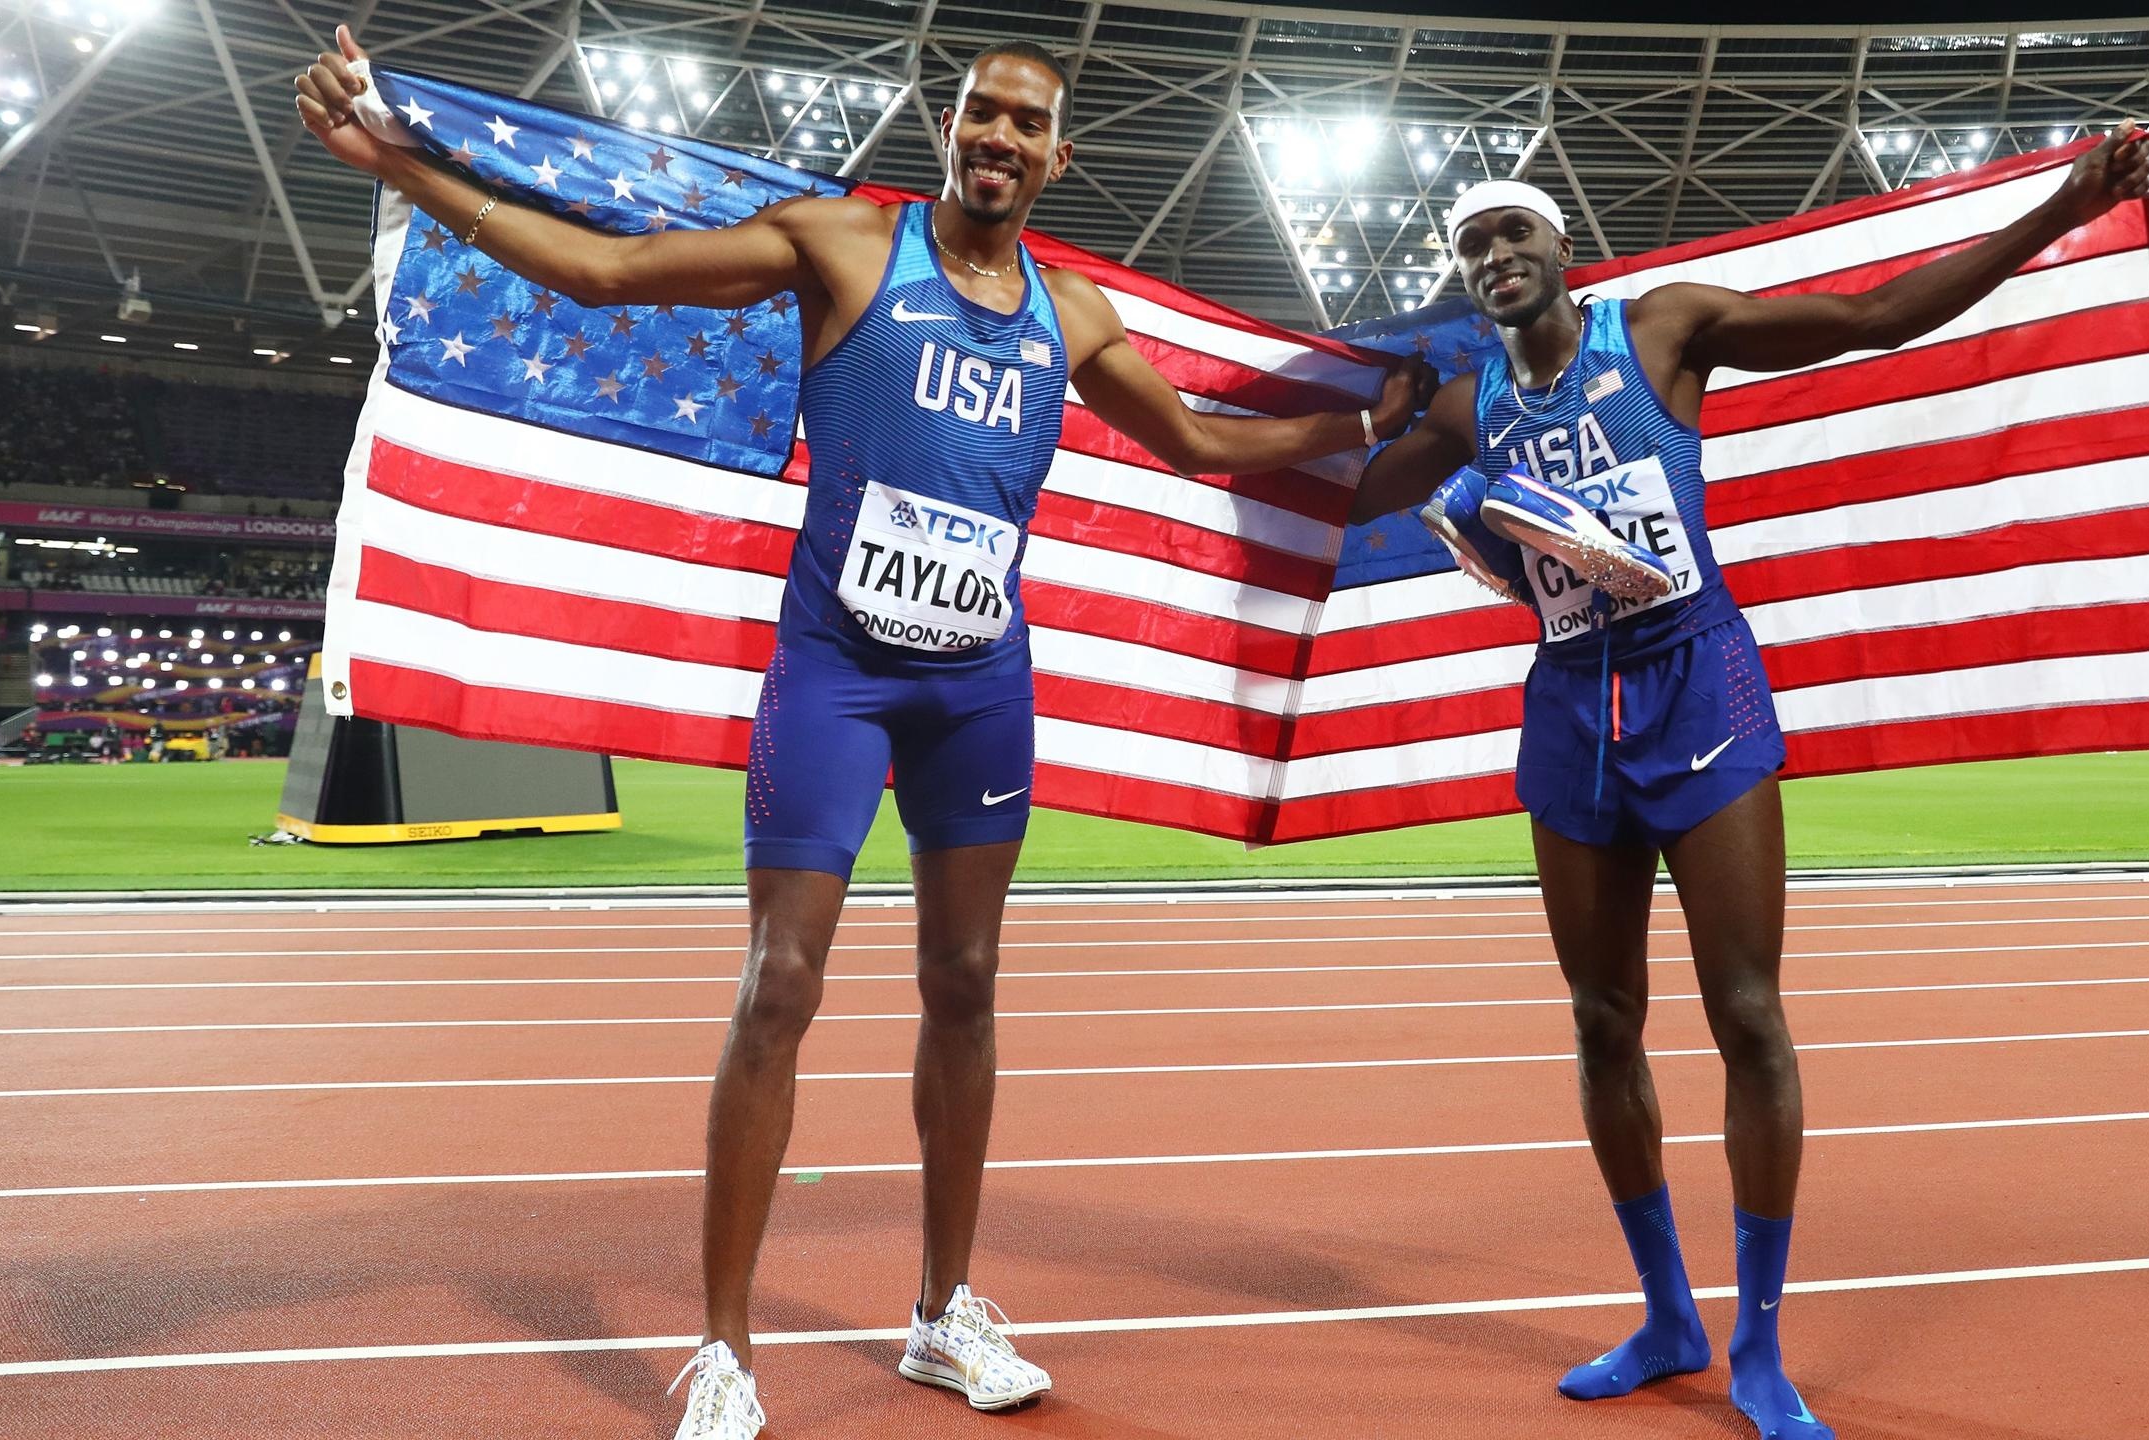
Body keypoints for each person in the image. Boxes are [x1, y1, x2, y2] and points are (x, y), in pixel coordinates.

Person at [297, 27, 1430, 1439]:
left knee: (965, 984)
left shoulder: (1069, 313)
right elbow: (607, 272)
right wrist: (395, 160)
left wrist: (1364, 422)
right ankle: (723, 1349)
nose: (1001, 140)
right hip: (835, 671)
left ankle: (944, 1317)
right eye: (982, 116)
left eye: (1029, 125)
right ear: (951, 129)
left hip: (978, 685)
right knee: (780, 986)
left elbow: (1202, 445)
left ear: (1056, 156)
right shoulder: (844, 248)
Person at [1350, 130, 2149, 1440]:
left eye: (1515, 233)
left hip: (1701, 683)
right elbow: (1352, 498)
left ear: (1564, 249)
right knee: (1604, 1018)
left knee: (1747, 1014)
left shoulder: (1662, 328)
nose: (1495, 255)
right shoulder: (1467, 403)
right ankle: (1667, 1314)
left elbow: (1878, 313)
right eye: (1472, 245)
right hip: (1571, 709)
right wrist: (1369, 422)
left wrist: (2062, 206)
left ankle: (1759, 1349)